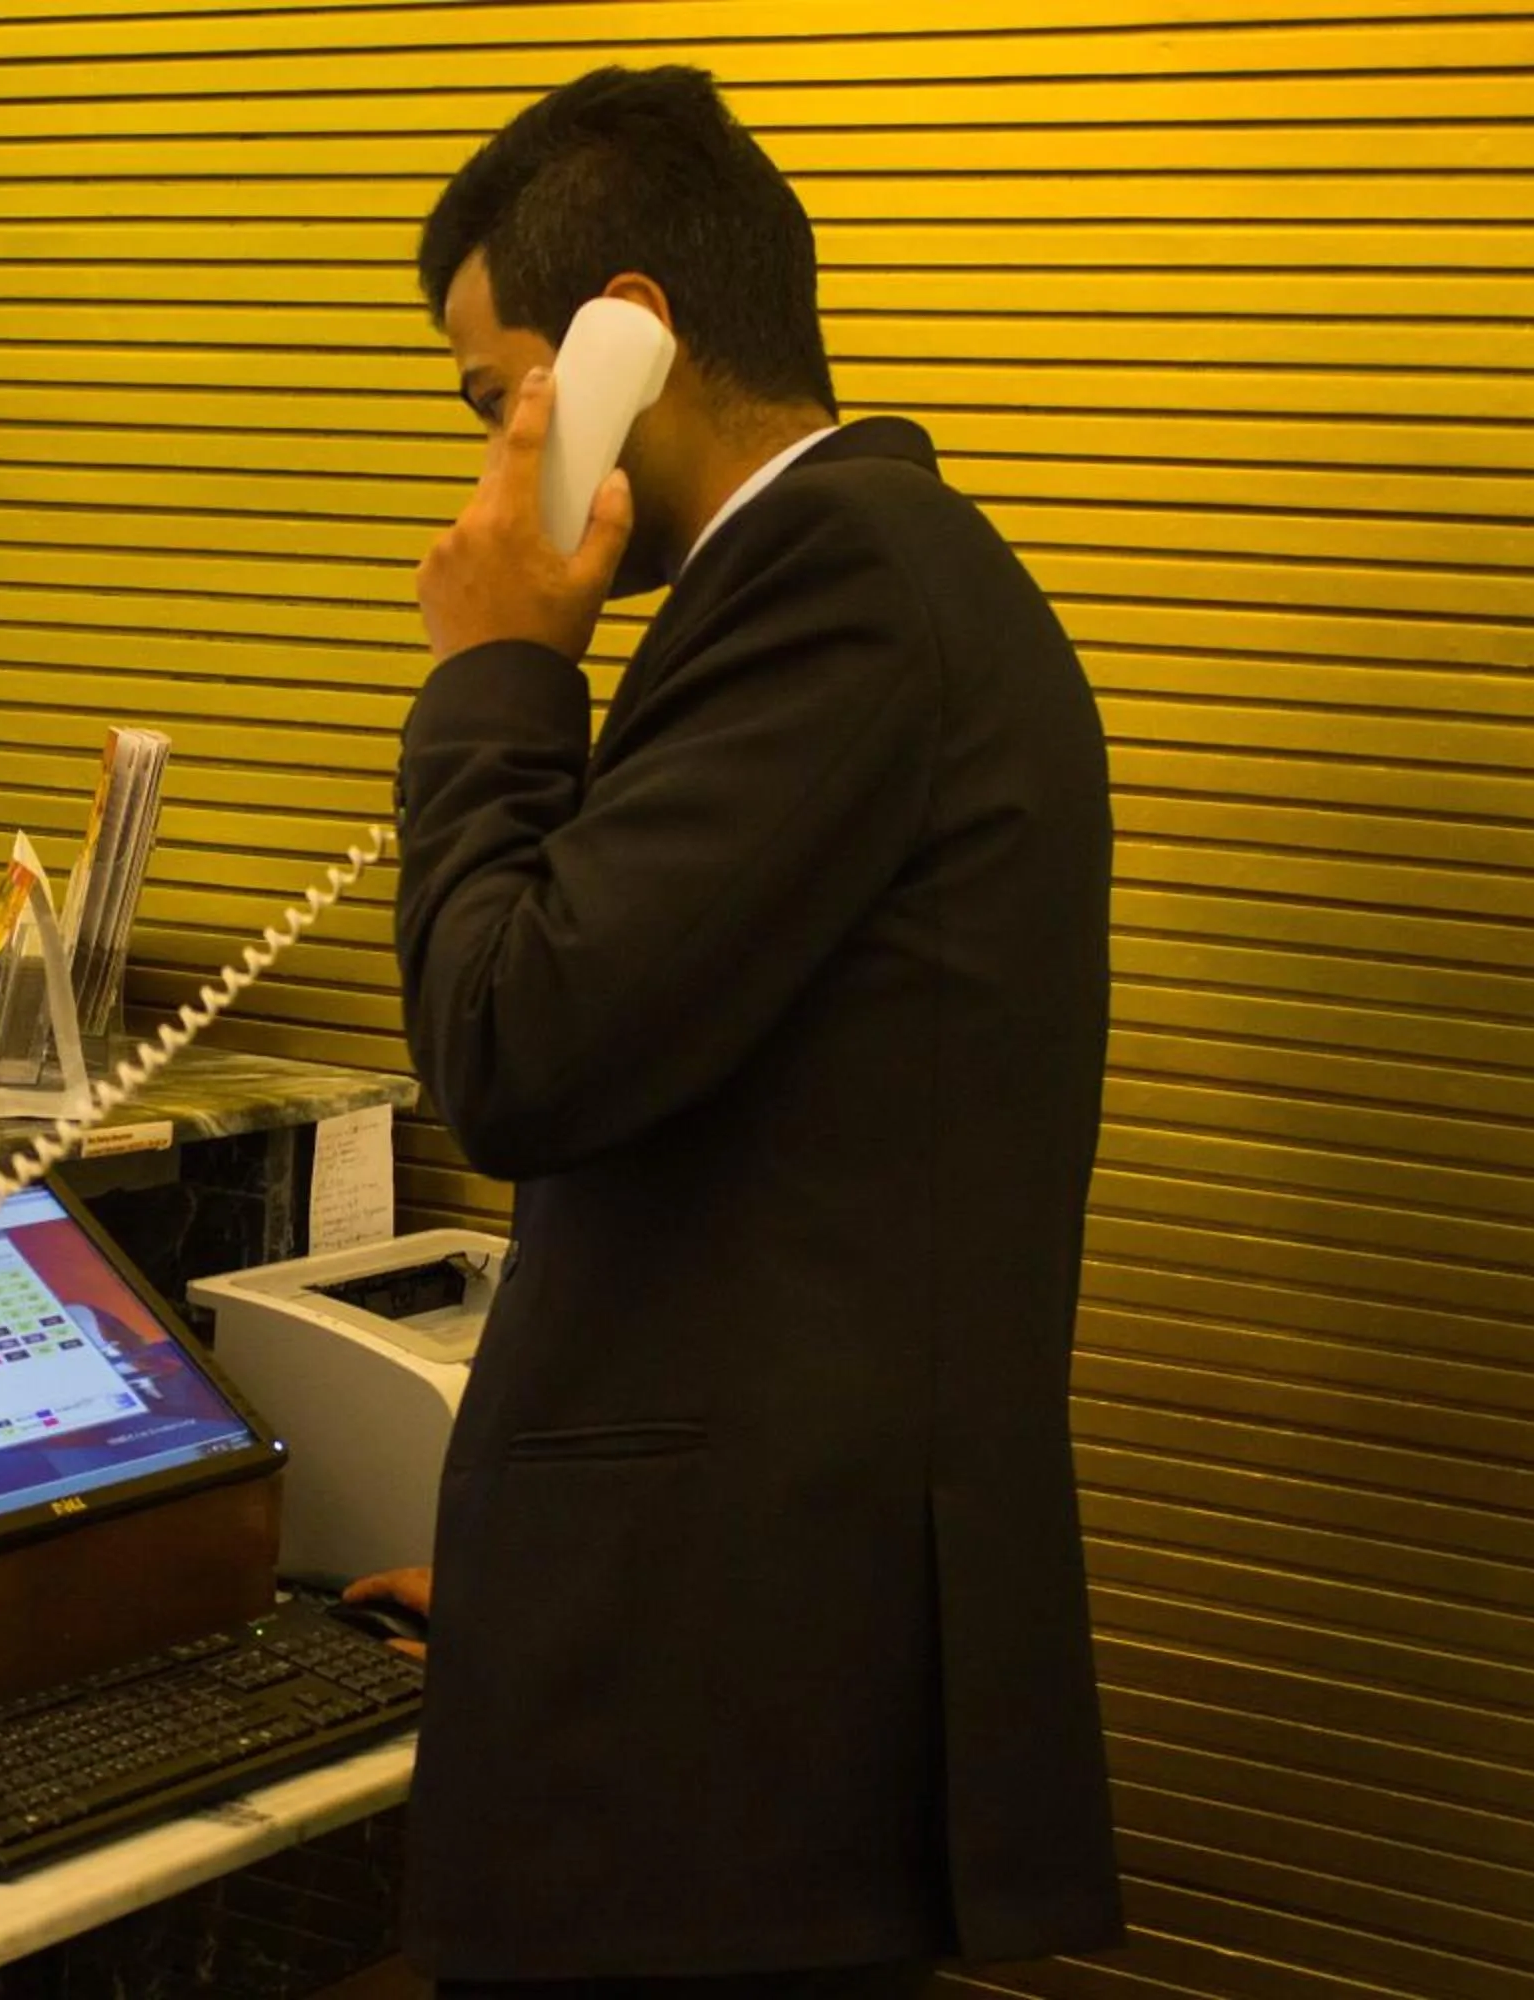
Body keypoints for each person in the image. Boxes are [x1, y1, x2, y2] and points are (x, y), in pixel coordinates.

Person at [345, 65, 1126, 1997]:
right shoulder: (859, 576)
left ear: (626, 335)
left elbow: (516, 1045)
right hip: (725, 1642)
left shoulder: (838, 582)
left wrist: (496, 666)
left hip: (731, 1728)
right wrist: (540, 1571)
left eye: (492, 398)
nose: (489, 458)